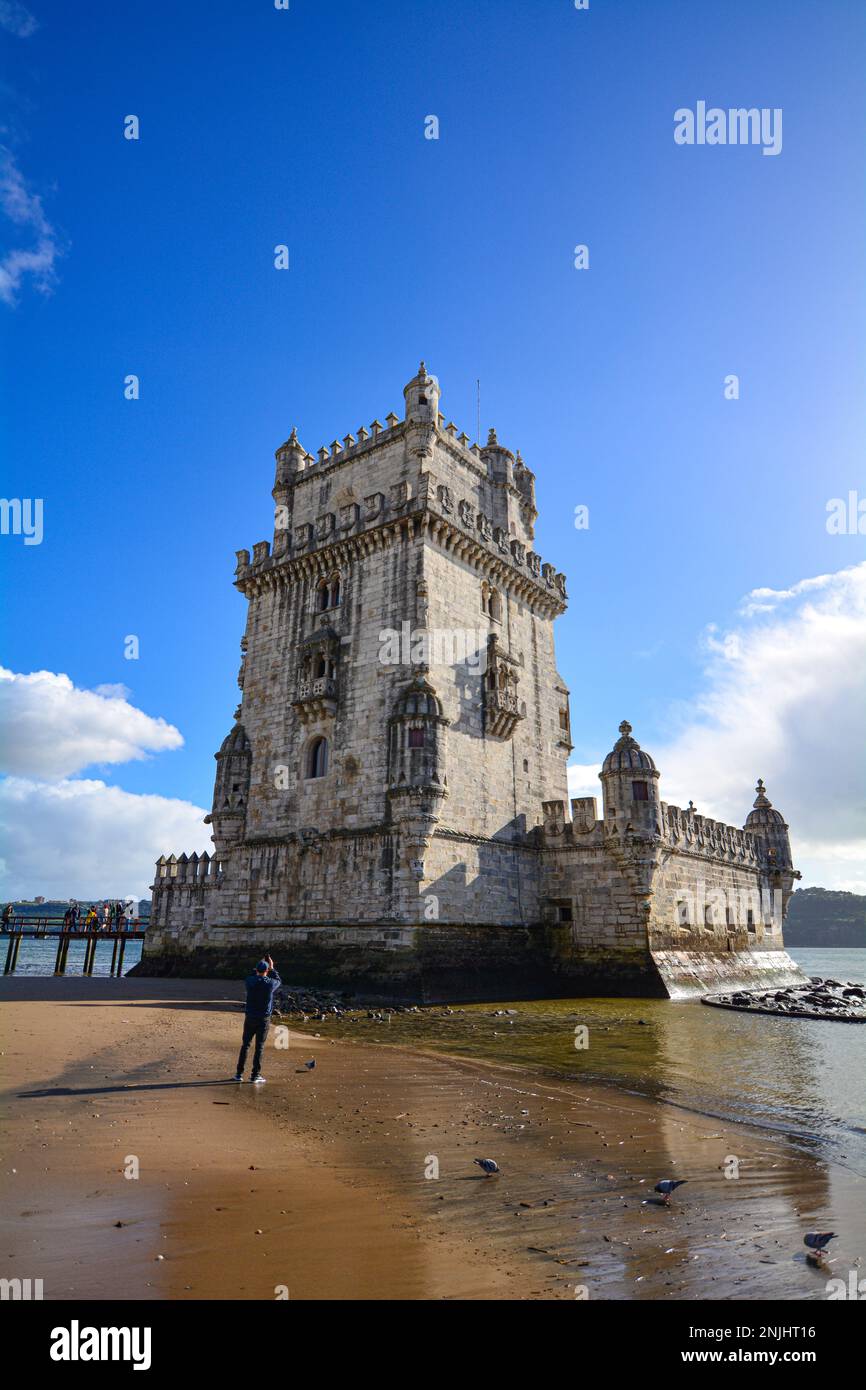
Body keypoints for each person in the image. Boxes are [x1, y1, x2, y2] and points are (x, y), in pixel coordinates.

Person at [234, 955, 281, 1084]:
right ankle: (255, 1075)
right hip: (263, 1019)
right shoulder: (271, 984)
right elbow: (278, 979)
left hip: (250, 1017)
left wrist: (259, 964)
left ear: (256, 970)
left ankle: (239, 1073)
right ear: (266, 971)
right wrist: (272, 967)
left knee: (245, 1045)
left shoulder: (250, 981)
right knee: (259, 1047)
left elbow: (251, 974)